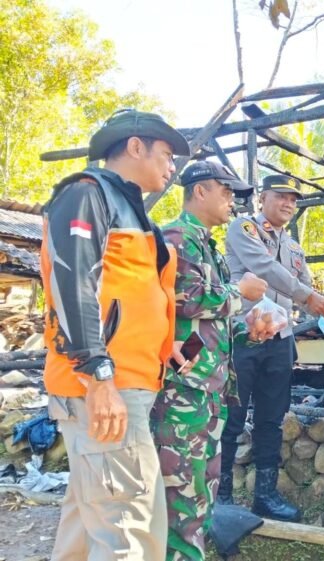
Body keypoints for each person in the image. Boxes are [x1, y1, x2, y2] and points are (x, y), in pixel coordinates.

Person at [41, 109, 191, 561]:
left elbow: (125, 293)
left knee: (89, 528)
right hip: (106, 387)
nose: (171, 167)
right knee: (129, 525)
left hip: (123, 382)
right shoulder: (87, 195)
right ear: (134, 146)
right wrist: (98, 375)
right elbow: (73, 286)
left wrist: (165, 341)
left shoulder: (128, 207)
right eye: (166, 154)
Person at [152, 161, 273, 561]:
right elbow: (184, 300)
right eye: (226, 191)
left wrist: (246, 330)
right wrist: (241, 293)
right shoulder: (175, 237)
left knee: (201, 491)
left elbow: (203, 327)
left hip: (208, 388)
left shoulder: (206, 244)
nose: (233, 201)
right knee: (180, 496)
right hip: (182, 391)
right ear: (199, 191)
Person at [219, 174, 324, 521]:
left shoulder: (294, 246)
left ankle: (265, 496)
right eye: (281, 197)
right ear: (263, 199)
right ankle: (221, 495)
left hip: (279, 341)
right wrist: (306, 295)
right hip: (244, 336)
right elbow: (264, 269)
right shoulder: (244, 229)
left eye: (293, 200)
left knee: (272, 419)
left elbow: (305, 283)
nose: (288, 204)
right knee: (233, 416)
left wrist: (312, 298)